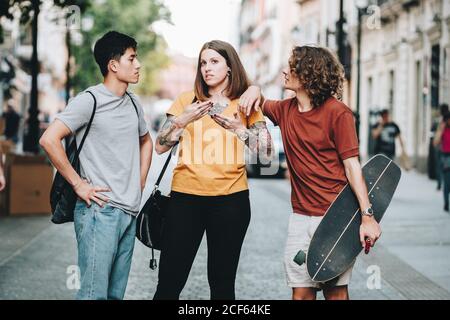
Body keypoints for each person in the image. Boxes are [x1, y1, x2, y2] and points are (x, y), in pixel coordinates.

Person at [241, 45, 382, 300]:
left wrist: (367, 216)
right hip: (300, 217)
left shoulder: (338, 113)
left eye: (291, 67)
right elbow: (258, 100)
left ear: (308, 73)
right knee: (301, 294)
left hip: (334, 218)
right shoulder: (284, 109)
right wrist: (255, 88)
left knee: (335, 293)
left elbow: (352, 166)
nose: (284, 71)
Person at [153, 40, 273, 300]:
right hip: (185, 199)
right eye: (203, 62)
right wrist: (183, 119)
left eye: (214, 61)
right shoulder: (187, 100)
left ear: (230, 67)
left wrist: (237, 128)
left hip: (231, 202)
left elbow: (266, 152)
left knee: (222, 285)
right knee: (169, 283)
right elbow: (160, 146)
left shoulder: (245, 103)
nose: (207, 68)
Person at [39, 31, 153, 300]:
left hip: (128, 211)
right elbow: (49, 139)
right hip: (99, 212)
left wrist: (139, 181)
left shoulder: (134, 104)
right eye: (132, 58)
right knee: (93, 294)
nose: (138, 65)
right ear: (113, 65)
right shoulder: (89, 100)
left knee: (115, 296)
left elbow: (146, 142)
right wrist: (78, 184)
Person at [433, 111, 450, 212]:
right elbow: (435, 142)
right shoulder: (443, 130)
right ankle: (446, 202)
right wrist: (441, 129)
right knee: (447, 182)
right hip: (446, 158)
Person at [434, 104, 449, 191]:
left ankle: (440, 183)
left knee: (440, 166)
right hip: (443, 146)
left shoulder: (442, 121)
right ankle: (443, 182)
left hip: (442, 147)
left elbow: (438, 135)